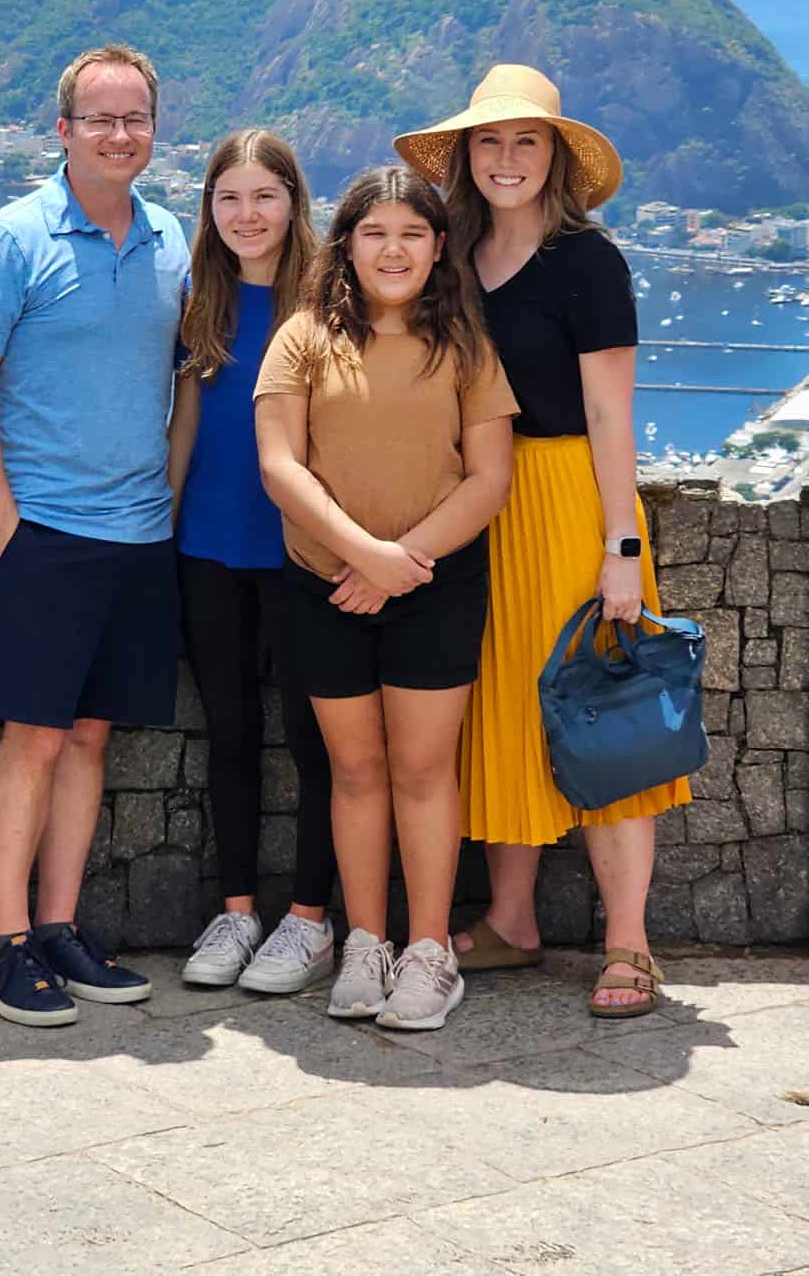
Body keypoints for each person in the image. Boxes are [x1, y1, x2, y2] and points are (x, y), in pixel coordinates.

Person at [395, 63, 691, 1020]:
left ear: (556, 157)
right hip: (479, 506)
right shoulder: (451, 259)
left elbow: (611, 415)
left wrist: (622, 549)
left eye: (527, 141)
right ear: (466, 157)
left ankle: (630, 945)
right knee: (501, 716)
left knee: (604, 714)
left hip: (567, 502)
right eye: (490, 141)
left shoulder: (589, 263)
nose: (507, 158)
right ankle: (513, 921)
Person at [0, 43, 190, 1027]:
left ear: (153, 129)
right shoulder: (8, 242)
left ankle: (57, 927)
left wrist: (162, 505)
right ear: (64, 131)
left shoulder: (172, 240)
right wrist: (7, 528)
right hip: (41, 529)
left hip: (137, 535)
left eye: (135, 119)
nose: (120, 134)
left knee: (90, 735)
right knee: (36, 736)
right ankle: (3, 942)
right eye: (100, 119)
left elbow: (182, 385)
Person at [254, 166, 517, 1031]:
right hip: (324, 584)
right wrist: (362, 555)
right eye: (375, 233)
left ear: (439, 247)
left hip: (436, 587)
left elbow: (489, 478)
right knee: (356, 771)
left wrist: (401, 561)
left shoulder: (467, 348)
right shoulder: (301, 337)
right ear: (347, 244)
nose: (393, 249)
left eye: (412, 233)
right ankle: (366, 941)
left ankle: (430, 951)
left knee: (421, 770)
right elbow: (280, 465)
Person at [168, 129, 338, 993]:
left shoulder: (330, 298)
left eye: (263, 196)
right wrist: (160, 530)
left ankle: (310, 920)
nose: (246, 214)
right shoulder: (203, 299)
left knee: (317, 744)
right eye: (227, 197)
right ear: (209, 208)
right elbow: (186, 426)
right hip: (208, 546)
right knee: (229, 735)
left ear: (293, 202)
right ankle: (237, 913)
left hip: (305, 552)